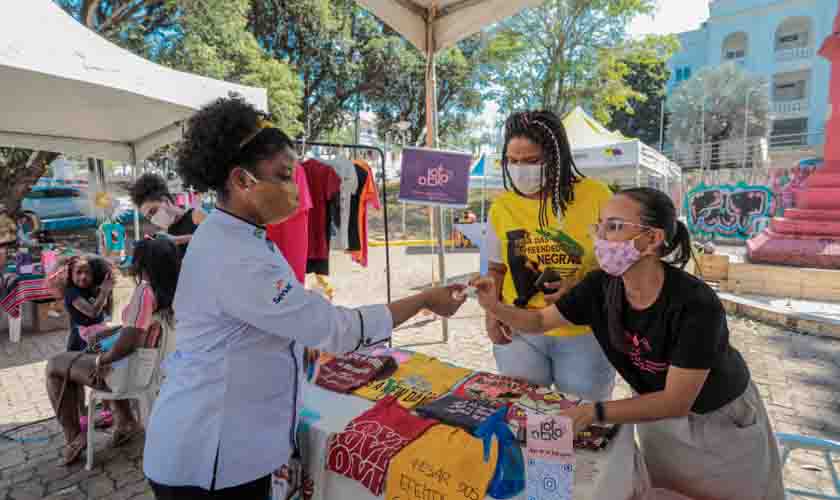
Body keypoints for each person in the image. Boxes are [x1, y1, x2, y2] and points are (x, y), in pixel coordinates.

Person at [142, 96, 466, 499]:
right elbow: (335, 330)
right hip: (210, 456)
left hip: (227, 446)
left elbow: (279, 319)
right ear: (242, 181)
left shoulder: (241, 236)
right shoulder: (236, 256)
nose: (297, 190)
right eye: (284, 176)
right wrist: (423, 300)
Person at [472, 187, 785, 500]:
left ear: (651, 239)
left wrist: (591, 412)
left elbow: (677, 400)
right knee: (667, 491)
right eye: (600, 225)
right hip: (656, 418)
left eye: (615, 226)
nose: (601, 237)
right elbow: (540, 321)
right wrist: (494, 306)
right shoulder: (600, 287)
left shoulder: (694, 304)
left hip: (718, 423)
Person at [485, 110, 615, 401]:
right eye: (513, 161)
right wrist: (492, 315)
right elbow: (496, 269)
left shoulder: (597, 196)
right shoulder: (502, 207)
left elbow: (620, 266)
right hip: (519, 332)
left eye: (532, 161)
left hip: (583, 332)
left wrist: (579, 289)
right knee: (527, 411)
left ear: (557, 157)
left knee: (585, 419)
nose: (521, 169)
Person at [45, 239, 180, 466]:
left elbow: (128, 342)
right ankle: (126, 421)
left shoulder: (144, 292)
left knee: (55, 365)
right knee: (95, 348)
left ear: (143, 264)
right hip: (150, 369)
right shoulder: (172, 290)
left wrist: (101, 359)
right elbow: (138, 328)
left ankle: (73, 437)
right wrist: (114, 334)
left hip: (125, 375)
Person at [50, 255, 116, 431]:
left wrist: (107, 292)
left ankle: (107, 411)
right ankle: (83, 416)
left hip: (98, 338)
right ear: (70, 275)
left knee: (101, 372)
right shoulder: (72, 294)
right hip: (78, 341)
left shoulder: (95, 289)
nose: (83, 277)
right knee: (77, 380)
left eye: (87, 272)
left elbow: (107, 311)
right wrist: (104, 292)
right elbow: (93, 312)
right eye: (78, 272)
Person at [129, 172, 207, 258]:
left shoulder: (196, 216)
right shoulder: (164, 236)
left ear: (165, 200)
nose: (153, 219)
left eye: (153, 211)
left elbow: (217, 240)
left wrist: (180, 240)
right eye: (149, 217)